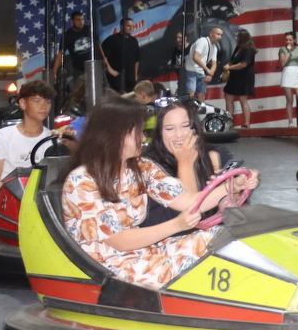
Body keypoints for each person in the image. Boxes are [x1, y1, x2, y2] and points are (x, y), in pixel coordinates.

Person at [61, 97, 256, 289]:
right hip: (106, 265)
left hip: (142, 251)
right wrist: (176, 225)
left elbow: (187, 200)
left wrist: (233, 185)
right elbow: (118, 240)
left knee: (219, 236)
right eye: (138, 132)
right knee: (191, 266)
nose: (143, 139)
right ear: (116, 135)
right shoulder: (82, 181)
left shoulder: (141, 167)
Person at [141, 99, 248, 226]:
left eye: (185, 126)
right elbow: (189, 216)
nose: (179, 135)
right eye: (169, 129)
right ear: (159, 133)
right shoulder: (150, 166)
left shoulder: (216, 154)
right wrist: (185, 163)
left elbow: (240, 208)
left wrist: (236, 188)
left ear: (195, 128)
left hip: (215, 230)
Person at [0, 80, 55, 194]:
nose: (43, 106)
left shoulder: (53, 139)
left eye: (47, 102)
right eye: (37, 101)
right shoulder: (3, 136)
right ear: (23, 103)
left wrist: (68, 144)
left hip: (41, 195)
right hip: (10, 193)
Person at [221, 28, 256, 128]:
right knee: (228, 97)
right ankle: (229, 121)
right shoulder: (238, 47)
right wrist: (228, 64)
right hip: (234, 76)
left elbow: (243, 64)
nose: (236, 38)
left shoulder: (249, 50)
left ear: (243, 38)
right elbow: (233, 60)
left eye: (237, 36)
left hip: (244, 77)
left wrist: (230, 67)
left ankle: (246, 123)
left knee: (243, 100)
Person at [54, 10, 91, 94]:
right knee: (81, 92)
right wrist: (54, 72)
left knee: (102, 87)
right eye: (78, 20)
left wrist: (105, 60)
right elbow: (60, 55)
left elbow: (98, 44)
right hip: (79, 68)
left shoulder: (89, 29)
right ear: (72, 21)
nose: (81, 22)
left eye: (82, 19)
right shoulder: (67, 35)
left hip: (94, 65)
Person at [100, 18, 140, 94]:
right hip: (116, 78)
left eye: (132, 26)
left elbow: (137, 60)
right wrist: (109, 69)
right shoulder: (112, 40)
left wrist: (135, 75)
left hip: (130, 78)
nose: (131, 28)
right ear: (122, 26)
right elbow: (103, 56)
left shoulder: (134, 40)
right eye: (128, 26)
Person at [184, 26, 222, 99]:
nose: (220, 37)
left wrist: (210, 75)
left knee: (201, 94)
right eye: (218, 34)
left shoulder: (214, 48)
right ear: (211, 33)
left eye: (221, 35)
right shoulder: (202, 41)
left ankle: (200, 106)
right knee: (191, 95)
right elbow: (196, 57)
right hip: (191, 70)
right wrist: (207, 70)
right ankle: (189, 106)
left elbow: (214, 64)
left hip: (201, 72)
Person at [278, 35, 298, 126]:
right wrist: (289, 51)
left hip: (297, 72)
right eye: (287, 40)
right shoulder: (282, 49)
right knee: (290, 99)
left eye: (290, 40)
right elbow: (282, 63)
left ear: (294, 40)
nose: (288, 42)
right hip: (287, 72)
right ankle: (290, 122)